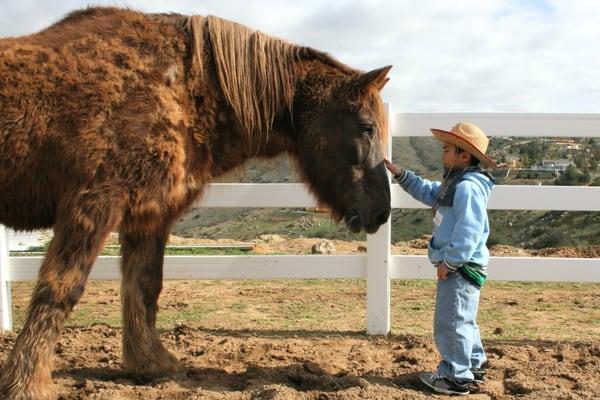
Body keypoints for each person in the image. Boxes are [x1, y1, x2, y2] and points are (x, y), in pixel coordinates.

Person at [385, 122, 496, 396]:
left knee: (450, 321)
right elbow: (428, 191)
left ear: (464, 156)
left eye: (447, 149)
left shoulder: (467, 188)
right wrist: (402, 174)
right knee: (464, 319)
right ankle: (473, 363)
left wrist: (450, 262)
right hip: (463, 266)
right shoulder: (455, 183)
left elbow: (468, 230)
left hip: (460, 268)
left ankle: (455, 376)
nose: (442, 154)